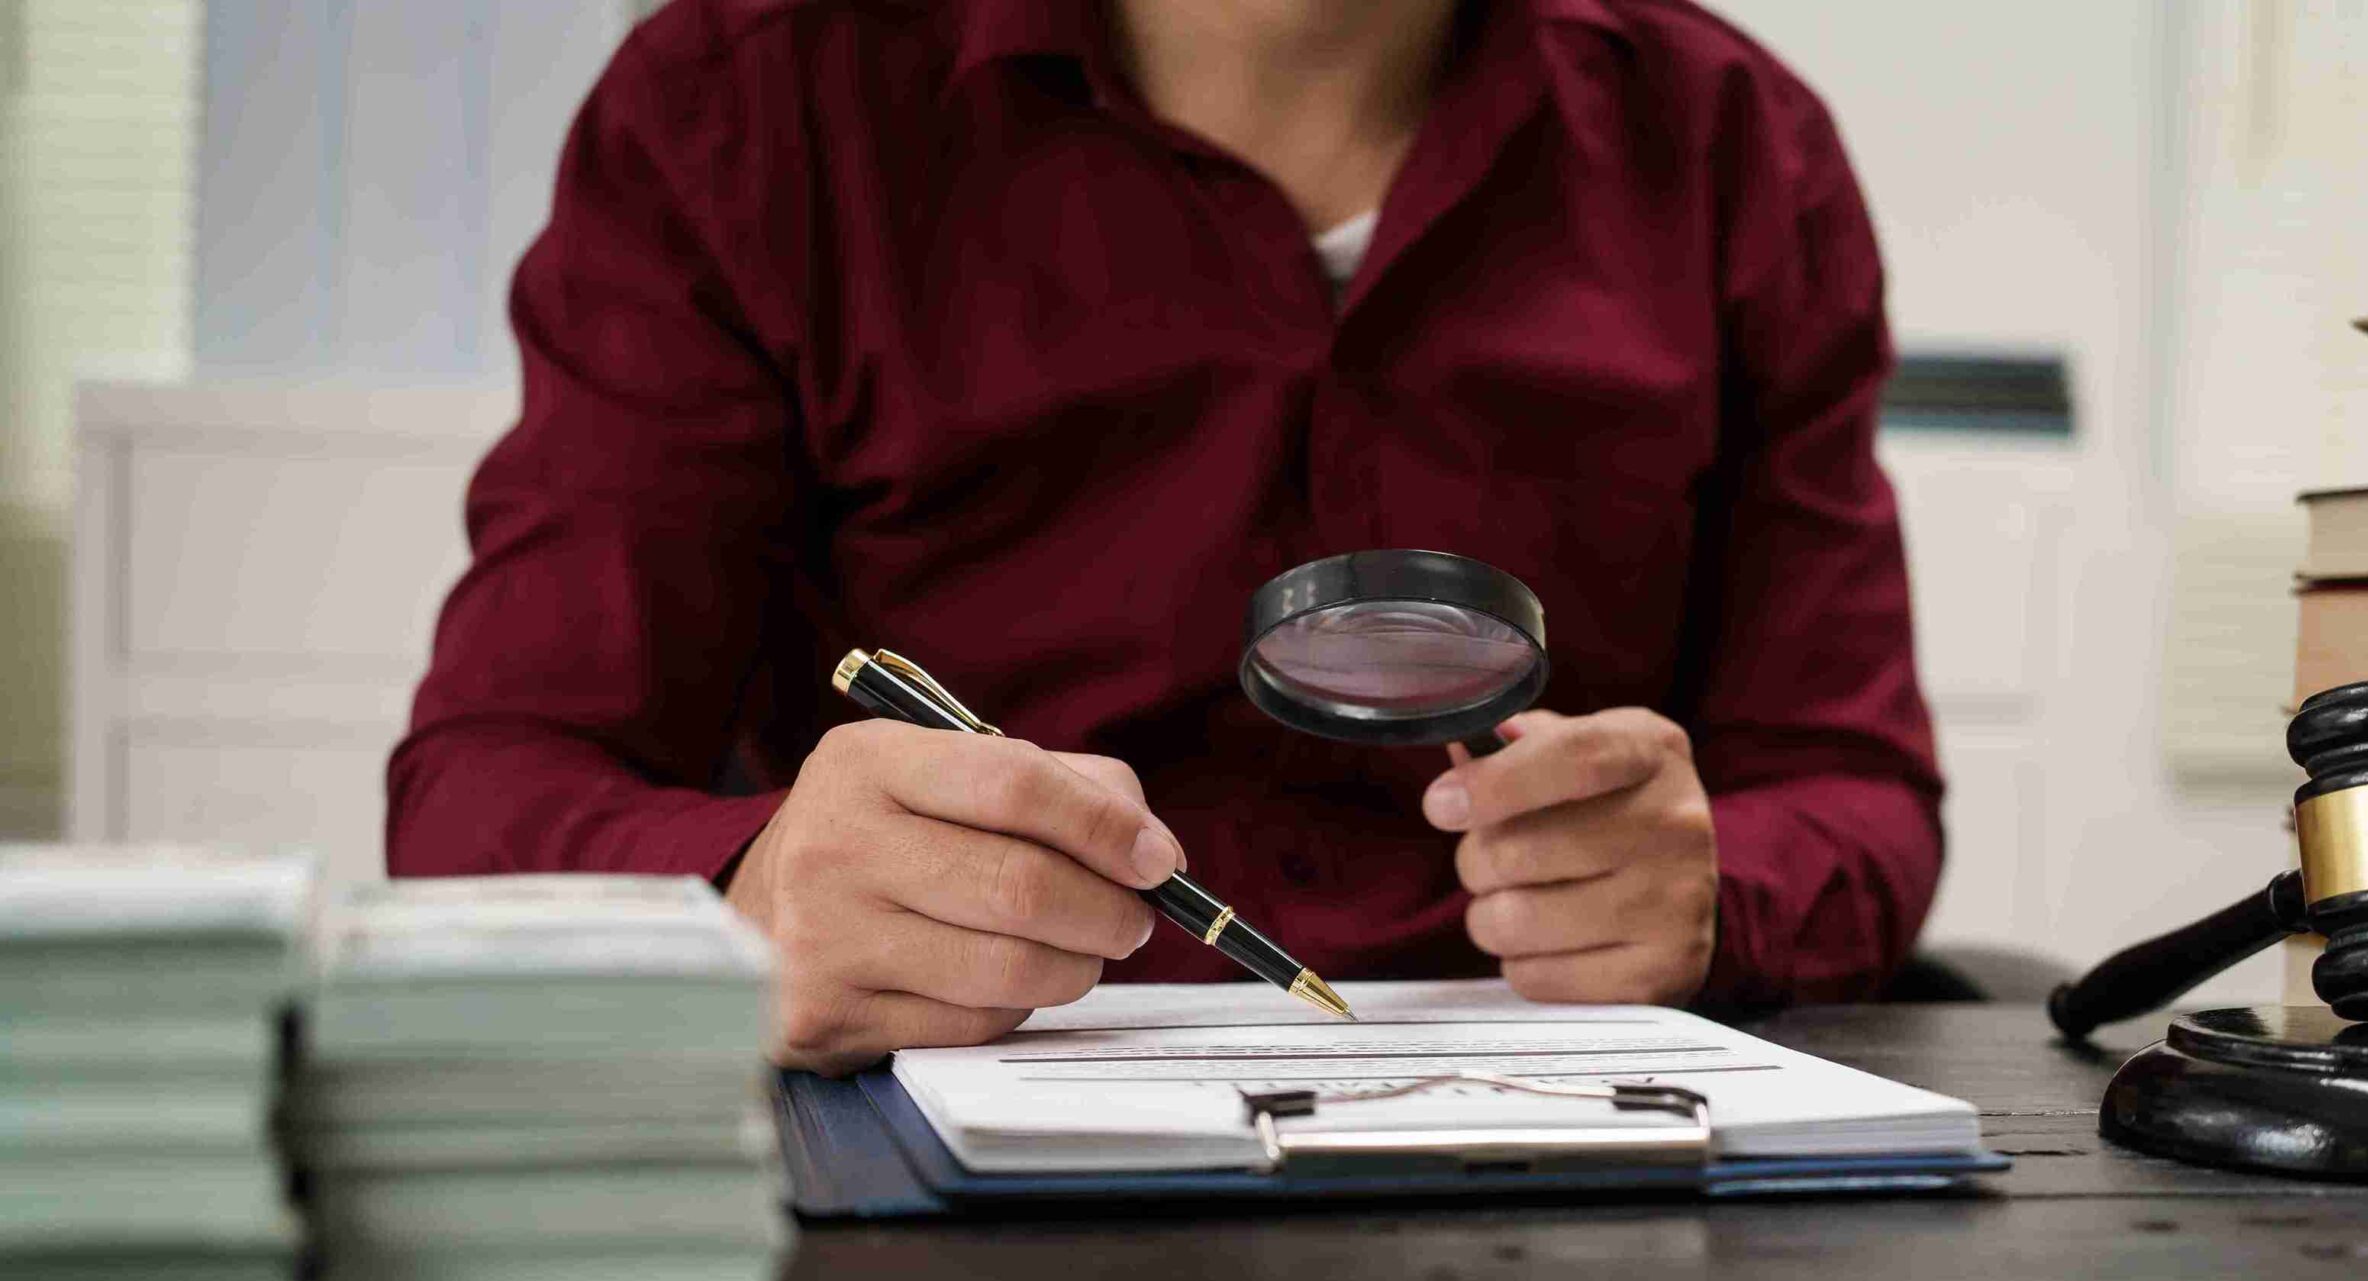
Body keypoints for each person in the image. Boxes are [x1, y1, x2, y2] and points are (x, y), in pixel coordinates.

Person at [388, 0, 1942, 1073]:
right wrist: (751, 896)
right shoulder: (743, 108)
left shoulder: (1737, 148)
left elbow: (1853, 781)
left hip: (1558, 1174)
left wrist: (1712, 885)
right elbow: (486, 791)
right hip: (944, 1181)